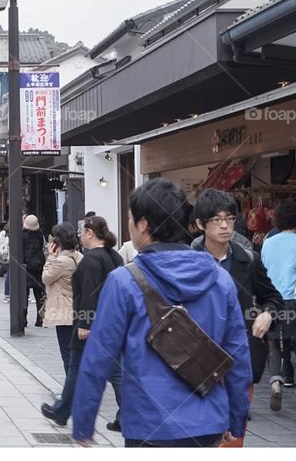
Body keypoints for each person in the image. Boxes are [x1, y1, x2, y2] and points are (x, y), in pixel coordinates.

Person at [72, 178, 252, 447]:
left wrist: (83, 423)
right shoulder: (220, 279)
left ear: (143, 224)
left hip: (149, 423)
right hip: (208, 421)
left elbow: (99, 356)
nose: (129, 223)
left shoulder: (123, 281)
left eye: (131, 217)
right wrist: (237, 421)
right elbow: (238, 356)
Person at [191, 189, 282, 437]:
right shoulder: (188, 261)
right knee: (200, 434)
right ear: (201, 223)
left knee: (233, 435)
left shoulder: (249, 260)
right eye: (217, 220)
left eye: (230, 218)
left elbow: (273, 297)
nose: (225, 226)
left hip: (239, 356)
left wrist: (267, 314)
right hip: (196, 360)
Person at [41, 214, 123, 430]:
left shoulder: (91, 259)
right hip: (111, 323)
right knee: (115, 371)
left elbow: (88, 294)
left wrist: (85, 324)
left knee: (77, 367)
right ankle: (125, 415)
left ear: (90, 233)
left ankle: (62, 411)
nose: (79, 237)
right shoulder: (114, 257)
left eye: (82, 232)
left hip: (89, 323)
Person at [261, 201, 296, 414]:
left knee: (275, 346)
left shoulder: (268, 243)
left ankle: (276, 381)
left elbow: (262, 272)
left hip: (273, 301)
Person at [42, 223, 84, 374]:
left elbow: (46, 278)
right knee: (75, 353)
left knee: (67, 353)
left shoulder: (61, 261)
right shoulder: (79, 256)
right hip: (77, 309)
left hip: (63, 312)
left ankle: (71, 391)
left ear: (58, 241)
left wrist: (50, 257)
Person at [22, 215, 46, 327]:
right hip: (38, 266)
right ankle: (40, 318)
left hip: (26, 267)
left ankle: (23, 319)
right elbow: (42, 249)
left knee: (24, 295)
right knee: (39, 294)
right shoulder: (40, 235)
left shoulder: (22, 236)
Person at [0, 222, 11, 301]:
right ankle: (7, 294)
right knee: (10, 274)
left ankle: (7, 294)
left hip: (8, 256)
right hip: (7, 256)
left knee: (10, 274)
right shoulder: (4, 233)